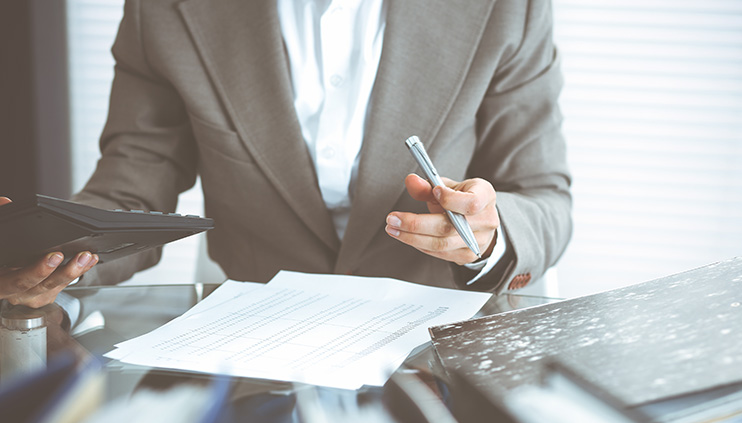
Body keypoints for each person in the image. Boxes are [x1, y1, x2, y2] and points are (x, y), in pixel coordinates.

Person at [2, 0, 572, 308]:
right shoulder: (167, 11)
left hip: (440, 341)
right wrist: (42, 254)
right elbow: (129, 191)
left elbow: (545, 197)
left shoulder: (506, 7)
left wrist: (490, 235)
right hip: (256, 347)